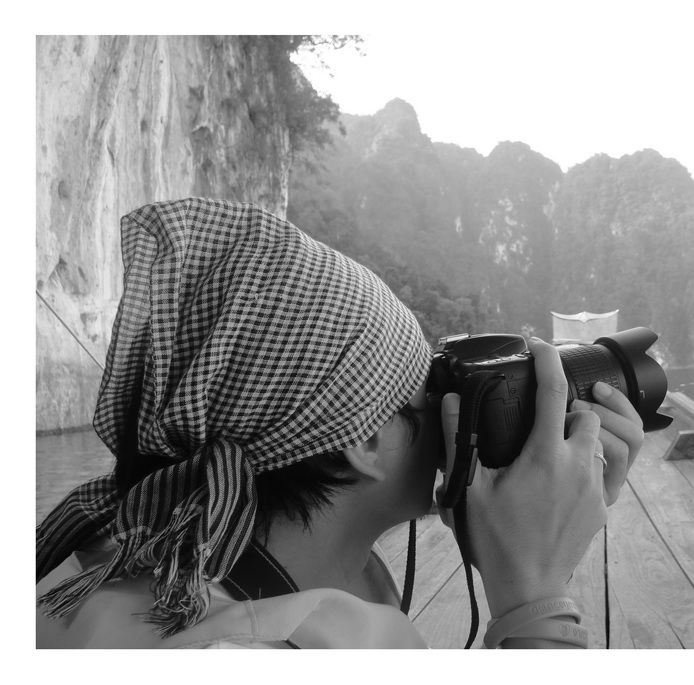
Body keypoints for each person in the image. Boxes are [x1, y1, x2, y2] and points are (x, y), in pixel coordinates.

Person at [36, 197, 643, 649]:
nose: (450, 414)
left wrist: (524, 540)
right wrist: (535, 593)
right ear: (364, 440)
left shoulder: (137, 554)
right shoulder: (234, 652)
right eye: (429, 393)